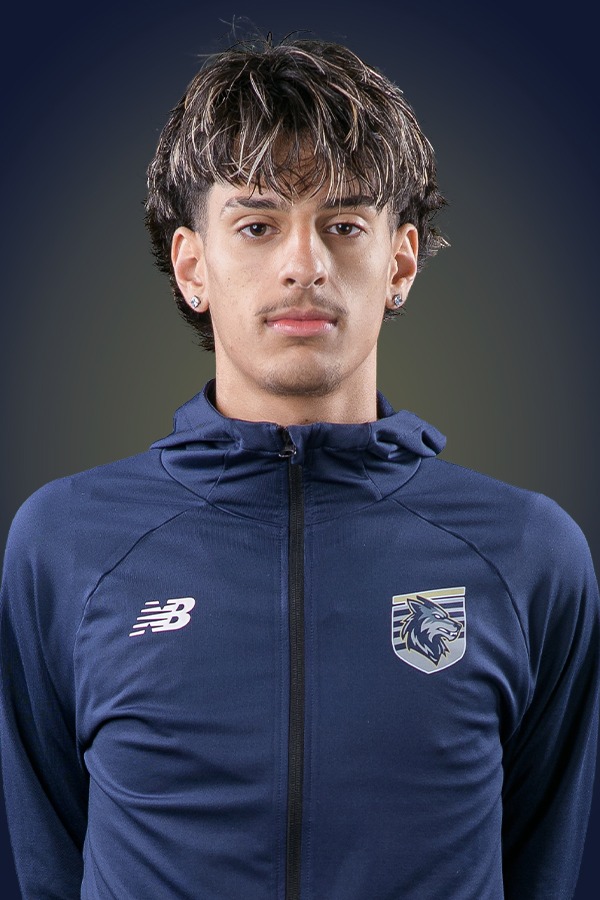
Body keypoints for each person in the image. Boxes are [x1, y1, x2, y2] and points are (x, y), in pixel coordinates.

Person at [1, 35, 598, 900]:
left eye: (343, 225)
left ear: (400, 261)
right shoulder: (63, 543)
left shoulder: (529, 554)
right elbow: (42, 857)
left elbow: (548, 864)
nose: (304, 265)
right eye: (257, 225)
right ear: (192, 266)